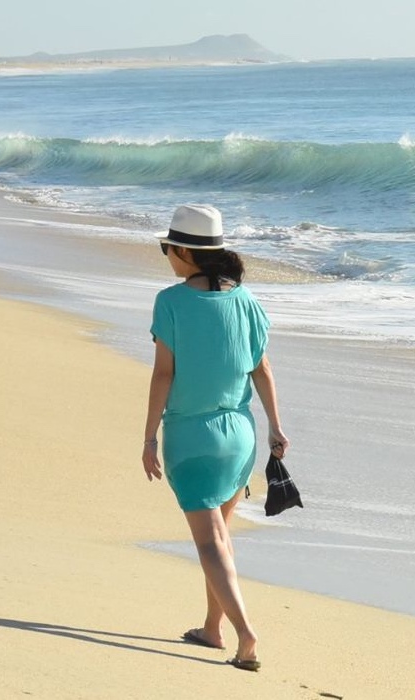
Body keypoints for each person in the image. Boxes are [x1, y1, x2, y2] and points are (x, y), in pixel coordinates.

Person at [139, 203, 285, 672]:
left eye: (168, 249)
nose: (166, 257)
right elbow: (262, 370)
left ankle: (246, 635)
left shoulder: (171, 301)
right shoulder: (247, 301)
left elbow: (163, 375)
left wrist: (148, 438)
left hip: (191, 434)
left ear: (185, 251)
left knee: (208, 543)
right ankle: (212, 628)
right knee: (220, 538)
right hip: (240, 436)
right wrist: (277, 430)